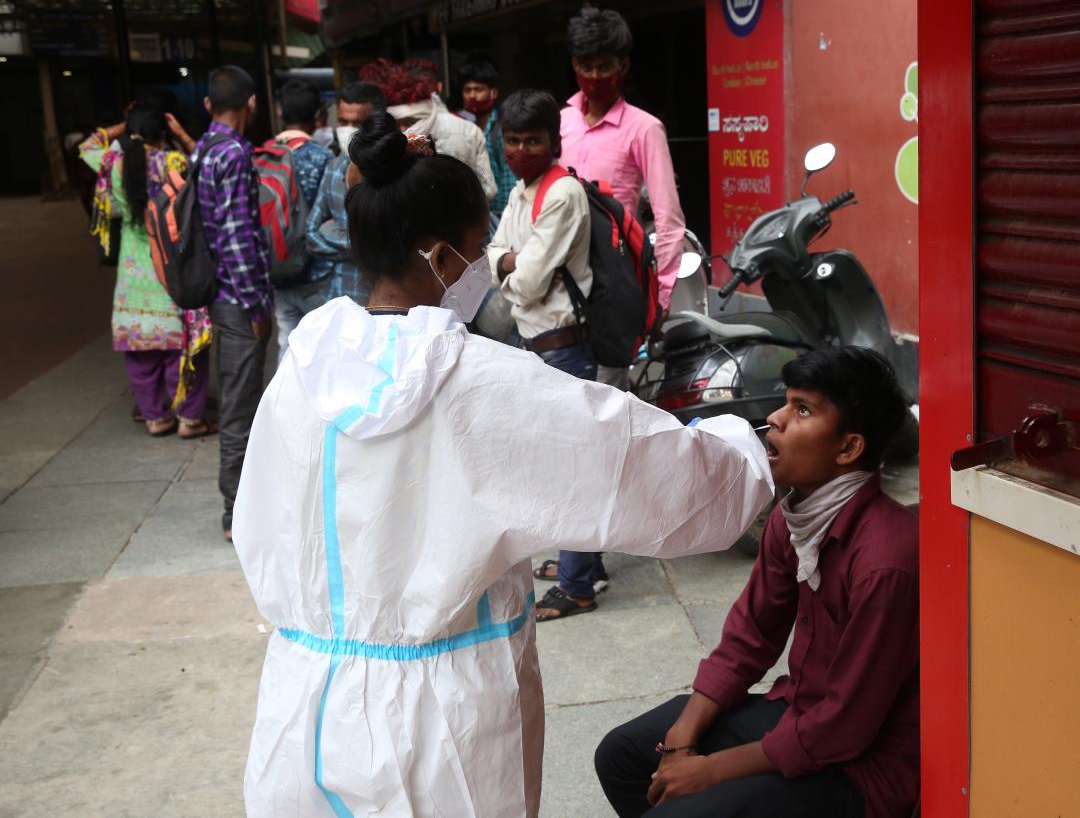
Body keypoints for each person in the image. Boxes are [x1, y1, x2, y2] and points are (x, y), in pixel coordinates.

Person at [231, 110, 774, 817]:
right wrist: (744, 451)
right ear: (440, 254)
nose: (482, 266)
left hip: (303, 707)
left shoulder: (301, 369)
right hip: (439, 724)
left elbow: (262, 520)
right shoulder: (478, 383)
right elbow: (628, 463)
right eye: (476, 247)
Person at [594, 346, 918, 818]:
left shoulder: (886, 559)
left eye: (802, 409)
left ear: (849, 447)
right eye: (787, 402)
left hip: (859, 765)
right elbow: (750, 638)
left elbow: (845, 725)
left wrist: (710, 772)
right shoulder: (793, 521)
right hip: (795, 714)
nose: (776, 418)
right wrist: (683, 738)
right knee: (623, 755)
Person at [485, 89, 609, 620]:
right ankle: (585, 564)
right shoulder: (521, 191)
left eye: (531, 140)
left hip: (564, 346)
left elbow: (529, 281)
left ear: (552, 142)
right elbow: (492, 255)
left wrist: (508, 266)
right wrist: (509, 261)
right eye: (512, 140)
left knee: (572, 467)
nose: (519, 149)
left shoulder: (561, 194)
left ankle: (578, 585)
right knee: (565, 461)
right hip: (537, 344)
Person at [561, 6, 687, 388]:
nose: (595, 76)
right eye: (587, 65)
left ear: (624, 66)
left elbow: (669, 219)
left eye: (605, 66)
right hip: (557, 280)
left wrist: (661, 300)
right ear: (574, 64)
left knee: (605, 392)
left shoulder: (645, 128)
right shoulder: (560, 120)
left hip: (612, 279)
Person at [78, 104, 214, 438]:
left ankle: (156, 418)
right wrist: (181, 135)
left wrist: (122, 126)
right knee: (181, 349)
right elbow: (207, 164)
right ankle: (189, 419)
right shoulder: (174, 163)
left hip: (132, 273)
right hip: (171, 269)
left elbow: (86, 147)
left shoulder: (112, 163)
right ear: (163, 131)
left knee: (141, 355)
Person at [196, 65, 273, 542]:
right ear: (251, 104)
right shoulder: (235, 154)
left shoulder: (202, 149)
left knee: (236, 399)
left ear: (208, 105)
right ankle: (236, 510)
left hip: (215, 292)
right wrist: (256, 305)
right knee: (241, 403)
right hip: (236, 296)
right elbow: (237, 237)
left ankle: (237, 504)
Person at [360, 57, 497, 201]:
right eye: (398, 123)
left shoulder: (465, 131)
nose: (405, 129)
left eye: (411, 122)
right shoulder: (385, 139)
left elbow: (488, 188)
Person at [306, 80, 387, 305]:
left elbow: (389, 245)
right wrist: (361, 251)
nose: (348, 130)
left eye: (358, 123)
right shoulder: (333, 167)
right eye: (343, 121)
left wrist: (331, 233)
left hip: (383, 300)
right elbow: (311, 234)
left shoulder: (393, 170)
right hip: (340, 295)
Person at [270, 79, 335, 358]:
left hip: (278, 271)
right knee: (322, 351)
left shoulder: (261, 156)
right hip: (317, 273)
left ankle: (283, 401)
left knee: (287, 346)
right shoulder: (324, 158)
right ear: (319, 115)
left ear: (279, 111)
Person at [458, 58, 518, 226]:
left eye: (478, 89)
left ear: (493, 93)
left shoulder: (502, 127)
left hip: (501, 214)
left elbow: (509, 178)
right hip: (477, 215)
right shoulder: (463, 127)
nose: (472, 95)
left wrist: (508, 216)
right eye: (467, 90)